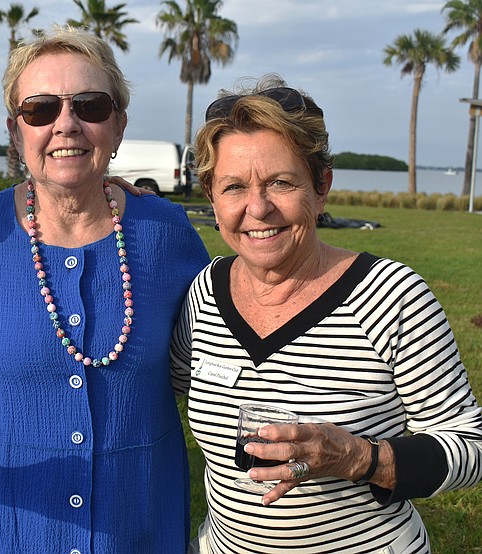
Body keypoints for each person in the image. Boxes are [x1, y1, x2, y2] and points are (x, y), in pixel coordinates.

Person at [0, 26, 211, 553]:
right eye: (41, 109)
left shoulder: (167, 235)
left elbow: (229, 362)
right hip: (1, 535)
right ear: (16, 131)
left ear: (117, 127)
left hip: (138, 533)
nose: (66, 125)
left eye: (91, 106)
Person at [171, 74, 482, 553]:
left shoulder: (391, 296)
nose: (258, 208)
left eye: (280, 182)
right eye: (233, 186)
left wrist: (360, 458)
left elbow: (472, 446)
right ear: (211, 198)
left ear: (321, 188)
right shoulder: (205, 294)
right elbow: (149, 390)